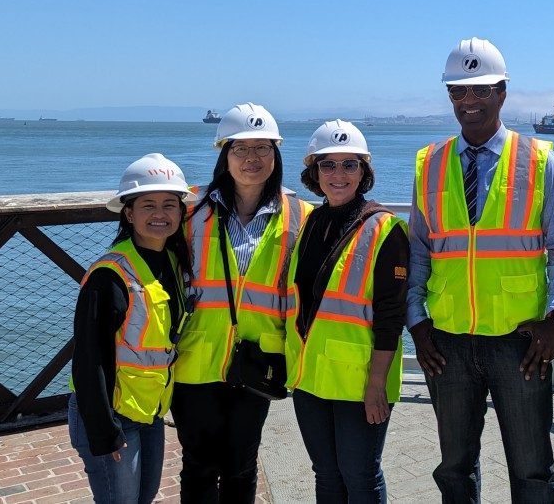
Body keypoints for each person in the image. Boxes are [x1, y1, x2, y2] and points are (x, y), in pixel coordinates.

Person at [407, 37, 554, 504]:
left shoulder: (539, 159)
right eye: (458, 91)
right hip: (448, 339)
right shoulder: (430, 163)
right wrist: (417, 323)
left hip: (519, 342)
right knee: (454, 470)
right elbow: (419, 250)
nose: (469, 102)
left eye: (481, 90)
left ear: (502, 92)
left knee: (532, 470)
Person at [172, 103, 313, 504]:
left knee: (241, 465)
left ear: (276, 154)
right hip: (195, 359)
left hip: (259, 362)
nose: (252, 159)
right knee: (198, 465)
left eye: (263, 149)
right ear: (224, 154)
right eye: (241, 149)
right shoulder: (190, 207)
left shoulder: (299, 215)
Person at [285, 120, 410, 503]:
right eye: (328, 165)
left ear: (364, 171)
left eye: (349, 164)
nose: (338, 174)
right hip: (311, 379)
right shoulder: (310, 222)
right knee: (326, 475)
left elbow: (391, 318)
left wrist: (377, 385)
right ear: (314, 172)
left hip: (359, 383)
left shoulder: (385, 229)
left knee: (361, 476)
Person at [69, 153, 197, 504]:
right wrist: (104, 431)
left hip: (149, 411)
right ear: (129, 213)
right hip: (111, 415)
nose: (160, 214)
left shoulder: (172, 261)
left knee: (145, 495)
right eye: (148, 205)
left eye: (170, 205)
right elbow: (88, 358)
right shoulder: (110, 274)